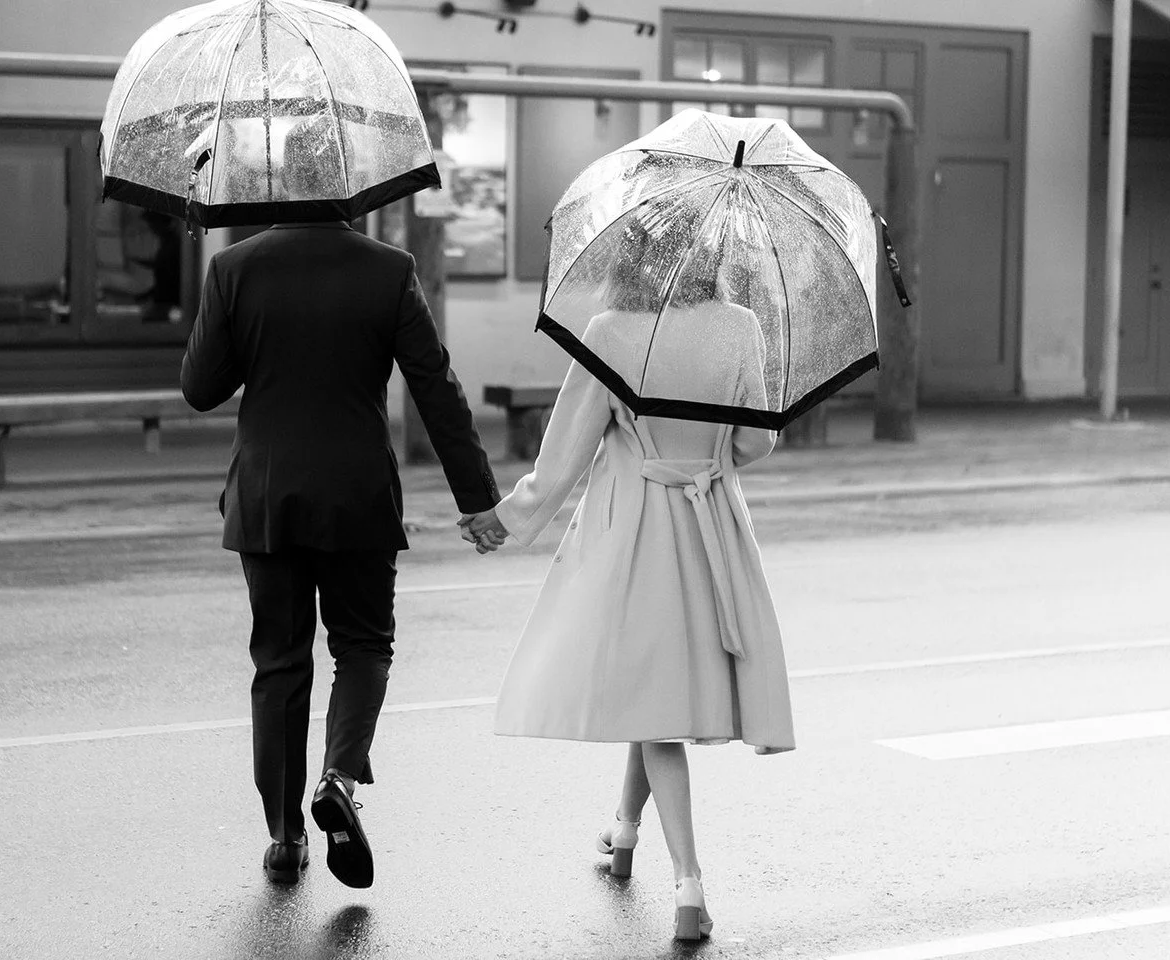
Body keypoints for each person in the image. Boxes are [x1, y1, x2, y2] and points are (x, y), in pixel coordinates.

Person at [462, 232, 794, 942]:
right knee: (660, 691)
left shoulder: (609, 333)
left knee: (652, 708)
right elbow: (756, 442)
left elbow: (565, 455)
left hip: (636, 532)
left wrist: (508, 519)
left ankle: (690, 888)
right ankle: (623, 834)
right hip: (711, 530)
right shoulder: (740, 328)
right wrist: (710, 445)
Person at [181, 194, 500, 888]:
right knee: (362, 645)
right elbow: (435, 389)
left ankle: (285, 836)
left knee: (279, 663)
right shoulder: (388, 269)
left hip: (265, 496)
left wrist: (239, 322)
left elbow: (200, 388)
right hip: (357, 493)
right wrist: (477, 499)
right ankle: (339, 778)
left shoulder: (235, 267)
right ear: (351, 189)